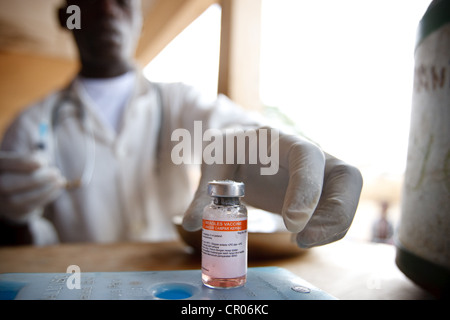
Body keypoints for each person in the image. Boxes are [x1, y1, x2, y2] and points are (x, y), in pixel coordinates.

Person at [0, 0, 363, 247]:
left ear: (140, 16)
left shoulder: (179, 103)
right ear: (67, 17)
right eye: (91, 1)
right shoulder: (31, 125)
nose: (109, 10)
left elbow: (237, 131)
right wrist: (10, 220)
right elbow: (27, 244)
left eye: (123, 1)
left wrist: (292, 162)